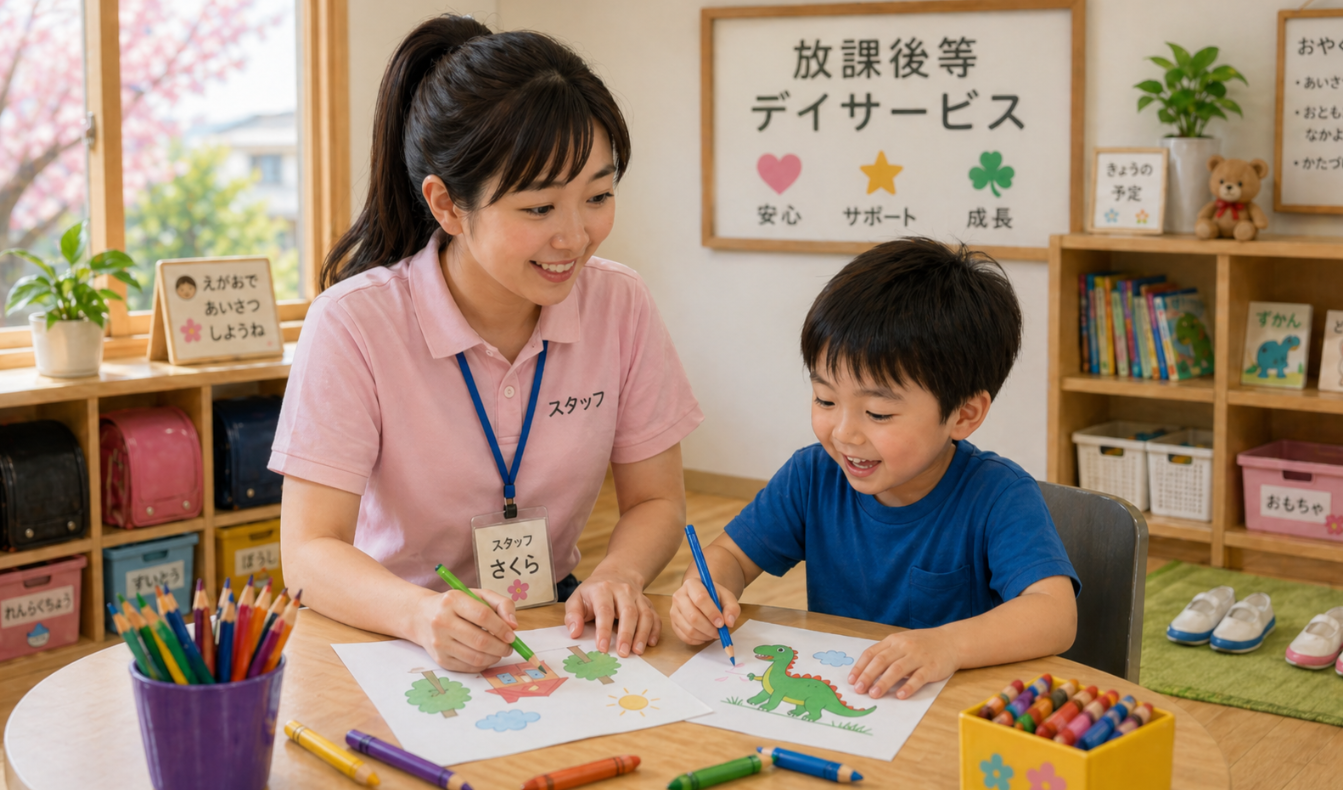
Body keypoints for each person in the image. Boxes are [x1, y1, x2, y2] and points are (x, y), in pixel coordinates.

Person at [272, 15, 702, 673]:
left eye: (598, 195)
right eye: (539, 209)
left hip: (550, 624)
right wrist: (421, 616)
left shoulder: (621, 302)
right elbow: (307, 553)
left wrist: (619, 573)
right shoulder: (352, 323)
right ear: (447, 205)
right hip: (390, 630)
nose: (575, 237)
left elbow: (656, 501)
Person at [671, 238, 1078, 701]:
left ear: (964, 415)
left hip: (950, 713)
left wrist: (948, 643)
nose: (844, 433)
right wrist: (702, 593)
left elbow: (1055, 614)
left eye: (878, 414)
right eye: (825, 400)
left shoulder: (998, 495)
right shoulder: (812, 477)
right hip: (850, 697)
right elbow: (729, 556)